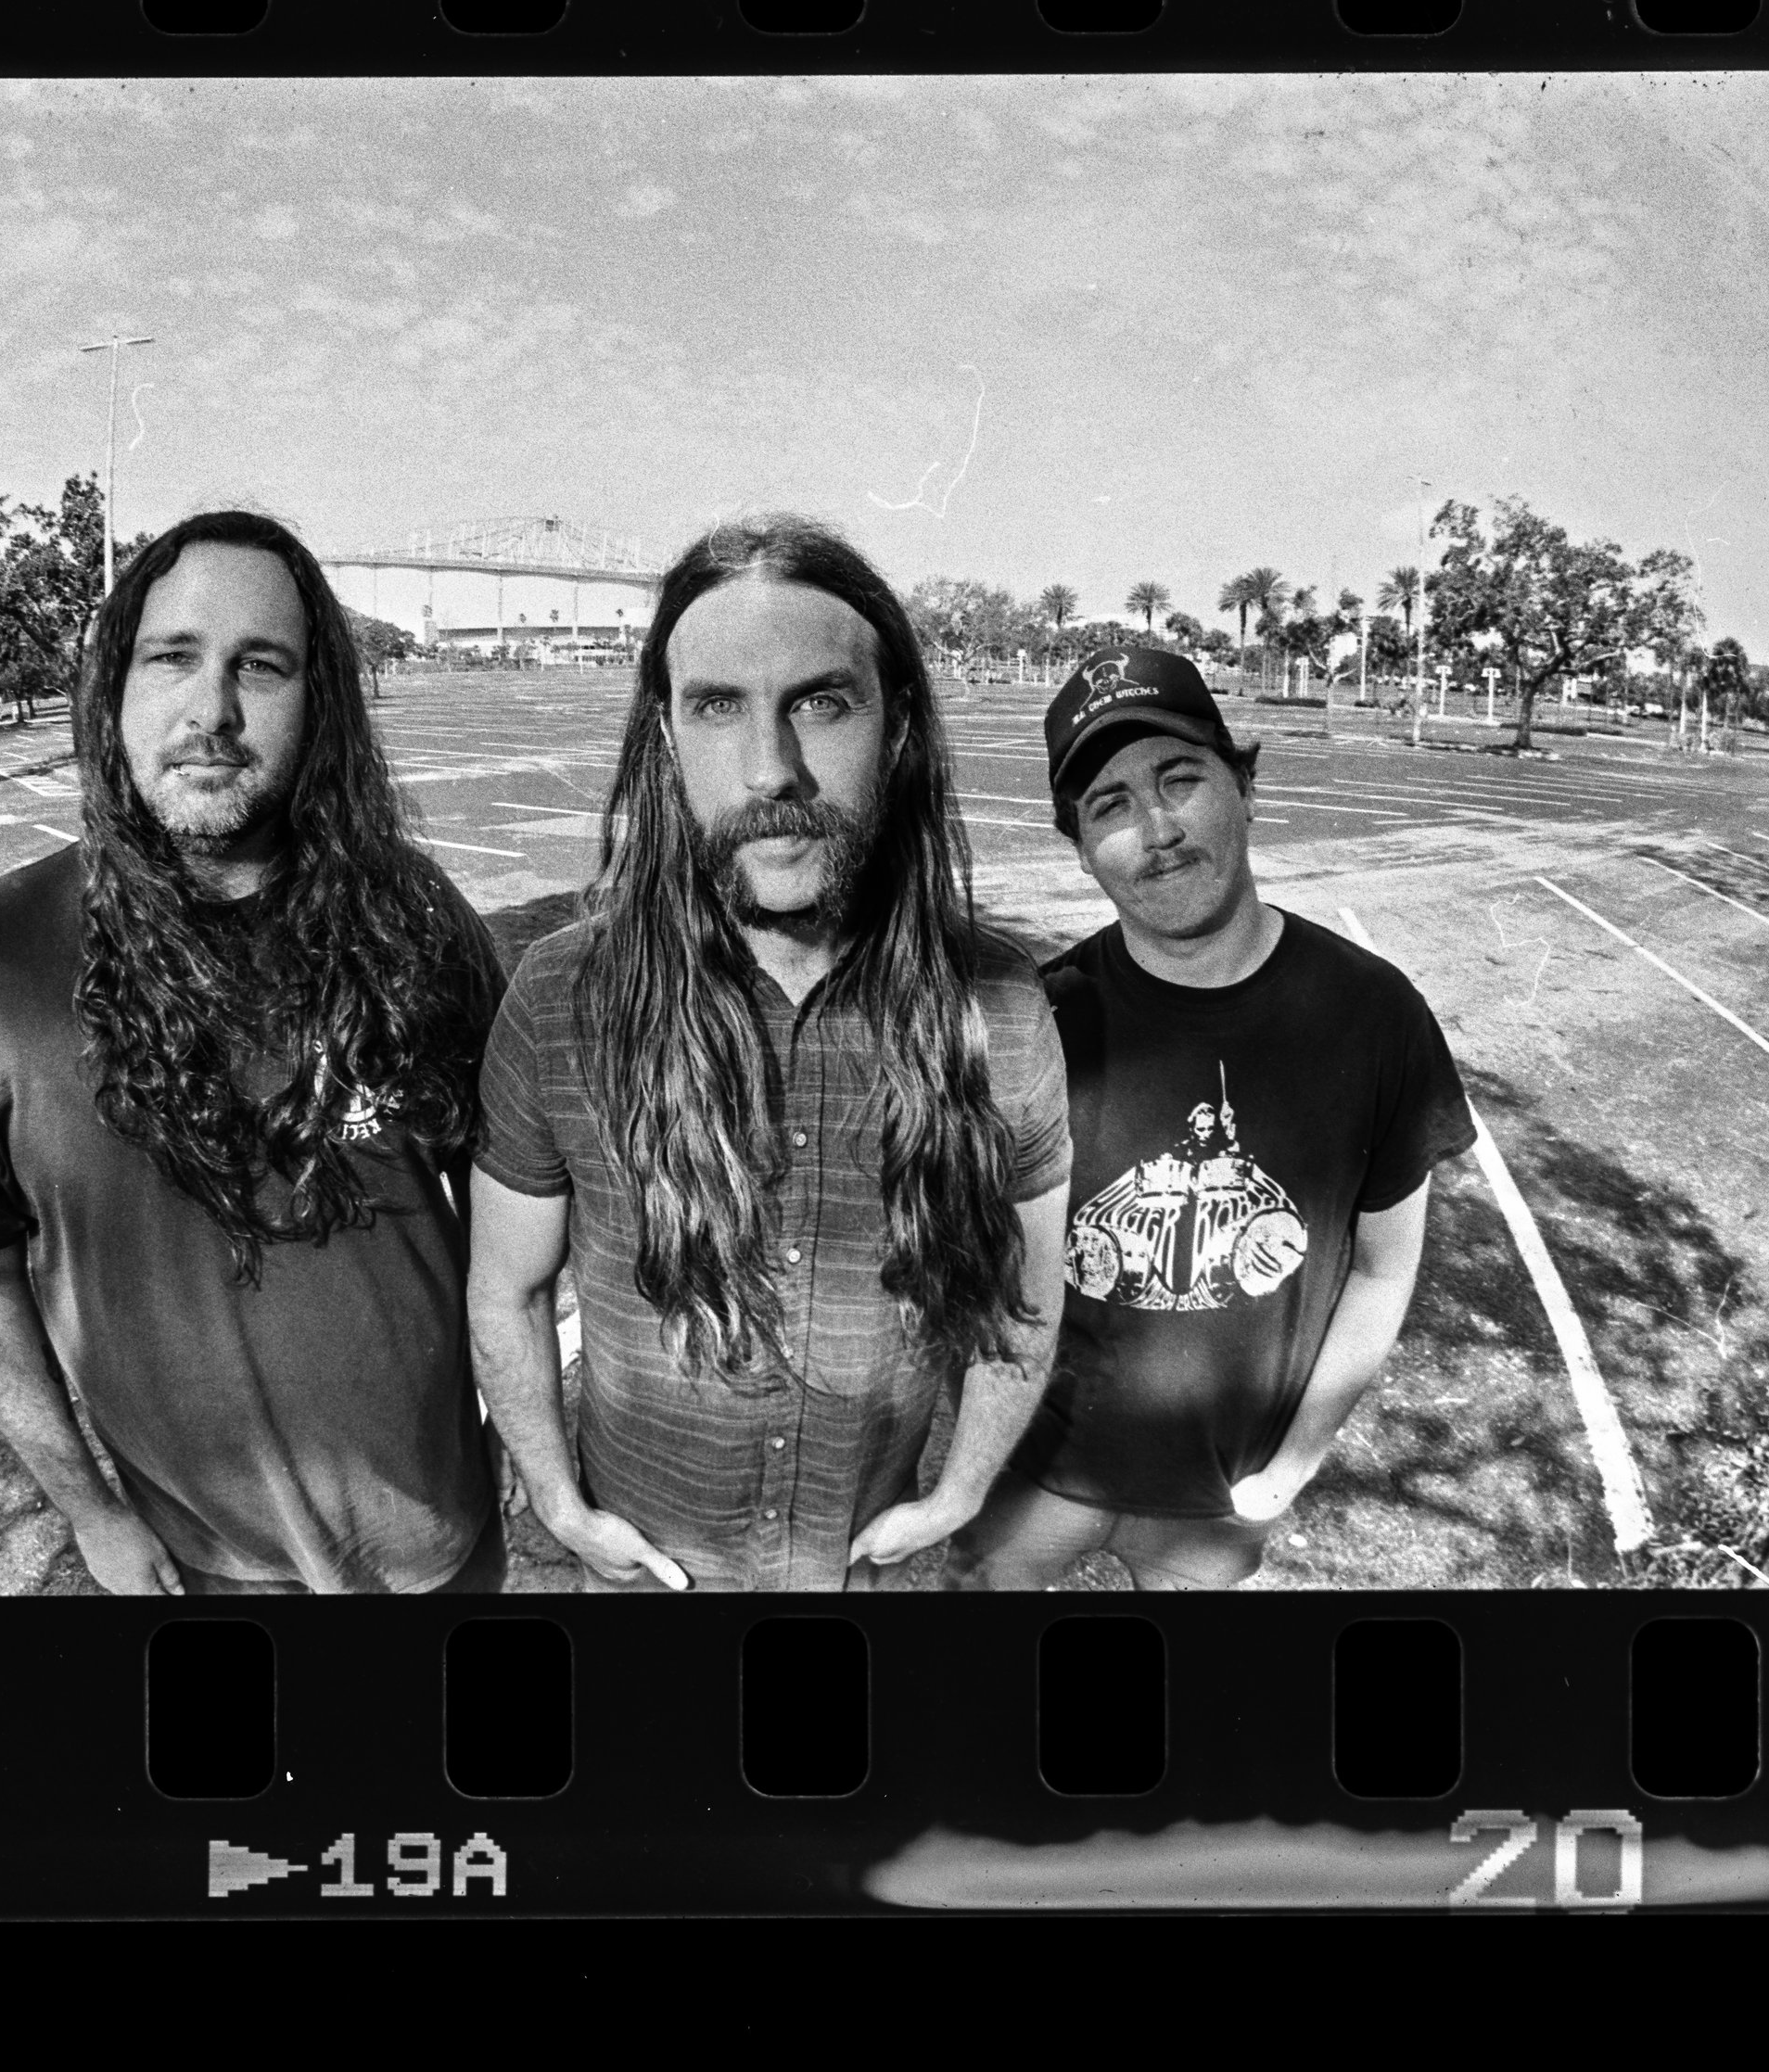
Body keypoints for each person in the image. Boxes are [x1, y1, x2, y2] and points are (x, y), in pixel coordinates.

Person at [0, 512, 507, 1595]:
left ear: (319, 704)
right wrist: (89, 1510)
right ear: (115, 691)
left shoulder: (419, 926)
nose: (212, 710)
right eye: (172, 656)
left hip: (439, 1555)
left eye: (261, 666)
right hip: (202, 1575)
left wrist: (524, 1430)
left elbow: (516, 1221)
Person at [465, 515, 1073, 1593]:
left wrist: (961, 1489)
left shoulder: (998, 1006)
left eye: (821, 702)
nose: (769, 770)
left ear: (895, 731)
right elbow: (507, 1289)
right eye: (716, 706)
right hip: (646, 1578)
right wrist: (558, 1503)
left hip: (858, 1573)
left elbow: (1021, 1295)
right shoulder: (562, 996)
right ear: (665, 736)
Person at [946, 645, 1476, 1591]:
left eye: (1179, 778)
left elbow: (1384, 1264)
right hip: (1032, 1476)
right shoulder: (1038, 1019)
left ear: (1244, 786)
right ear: (1078, 845)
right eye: (1109, 805)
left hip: (1218, 1497)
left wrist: (1298, 1458)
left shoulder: (1371, 1013)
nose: (1155, 827)